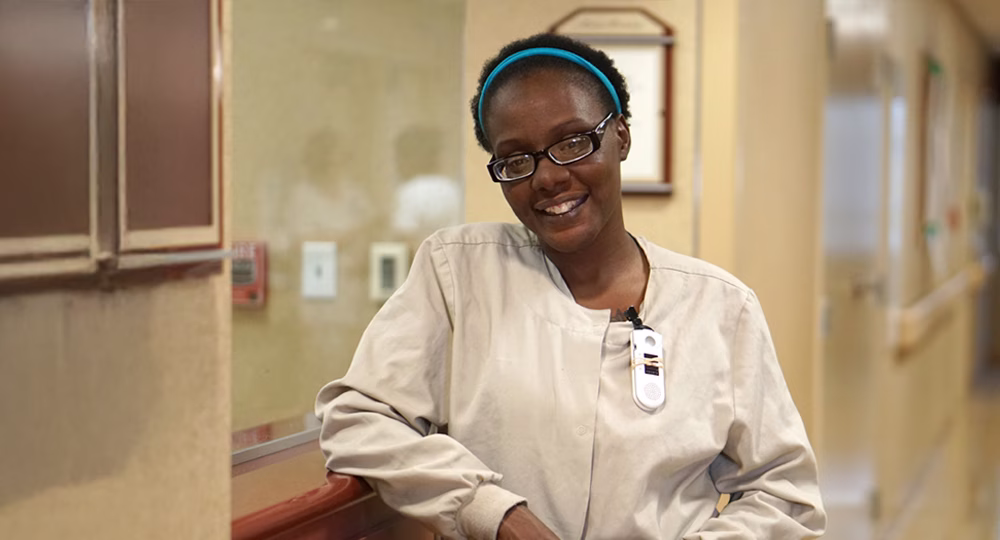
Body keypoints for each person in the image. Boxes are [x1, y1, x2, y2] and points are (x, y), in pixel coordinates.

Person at [315, 33, 826, 539]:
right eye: (516, 160)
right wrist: (492, 512)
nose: (547, 178)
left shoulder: (719, 306)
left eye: (572, 142)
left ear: (620, 137)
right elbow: (358, 421)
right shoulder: (458, 274)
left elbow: (783, 495)